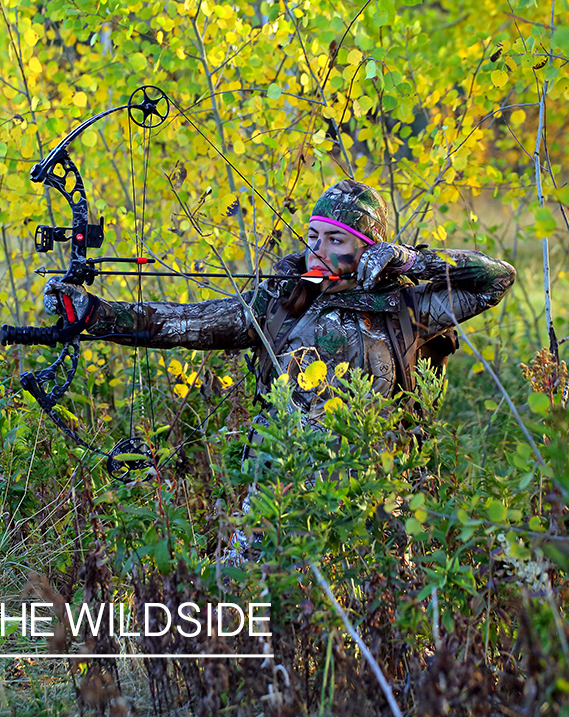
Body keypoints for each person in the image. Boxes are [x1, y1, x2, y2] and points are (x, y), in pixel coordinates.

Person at [43, 179, 515, 556]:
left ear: (369, 248)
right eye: (313, 236)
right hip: (279, 490)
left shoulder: (408, 305)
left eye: (336, 239)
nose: (318, 249)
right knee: (239, 607)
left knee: (384, 626)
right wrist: (94, 315)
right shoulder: (281, 301)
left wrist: (411, 259)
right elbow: (183, 322)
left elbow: (497, 278)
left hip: (376, 492)